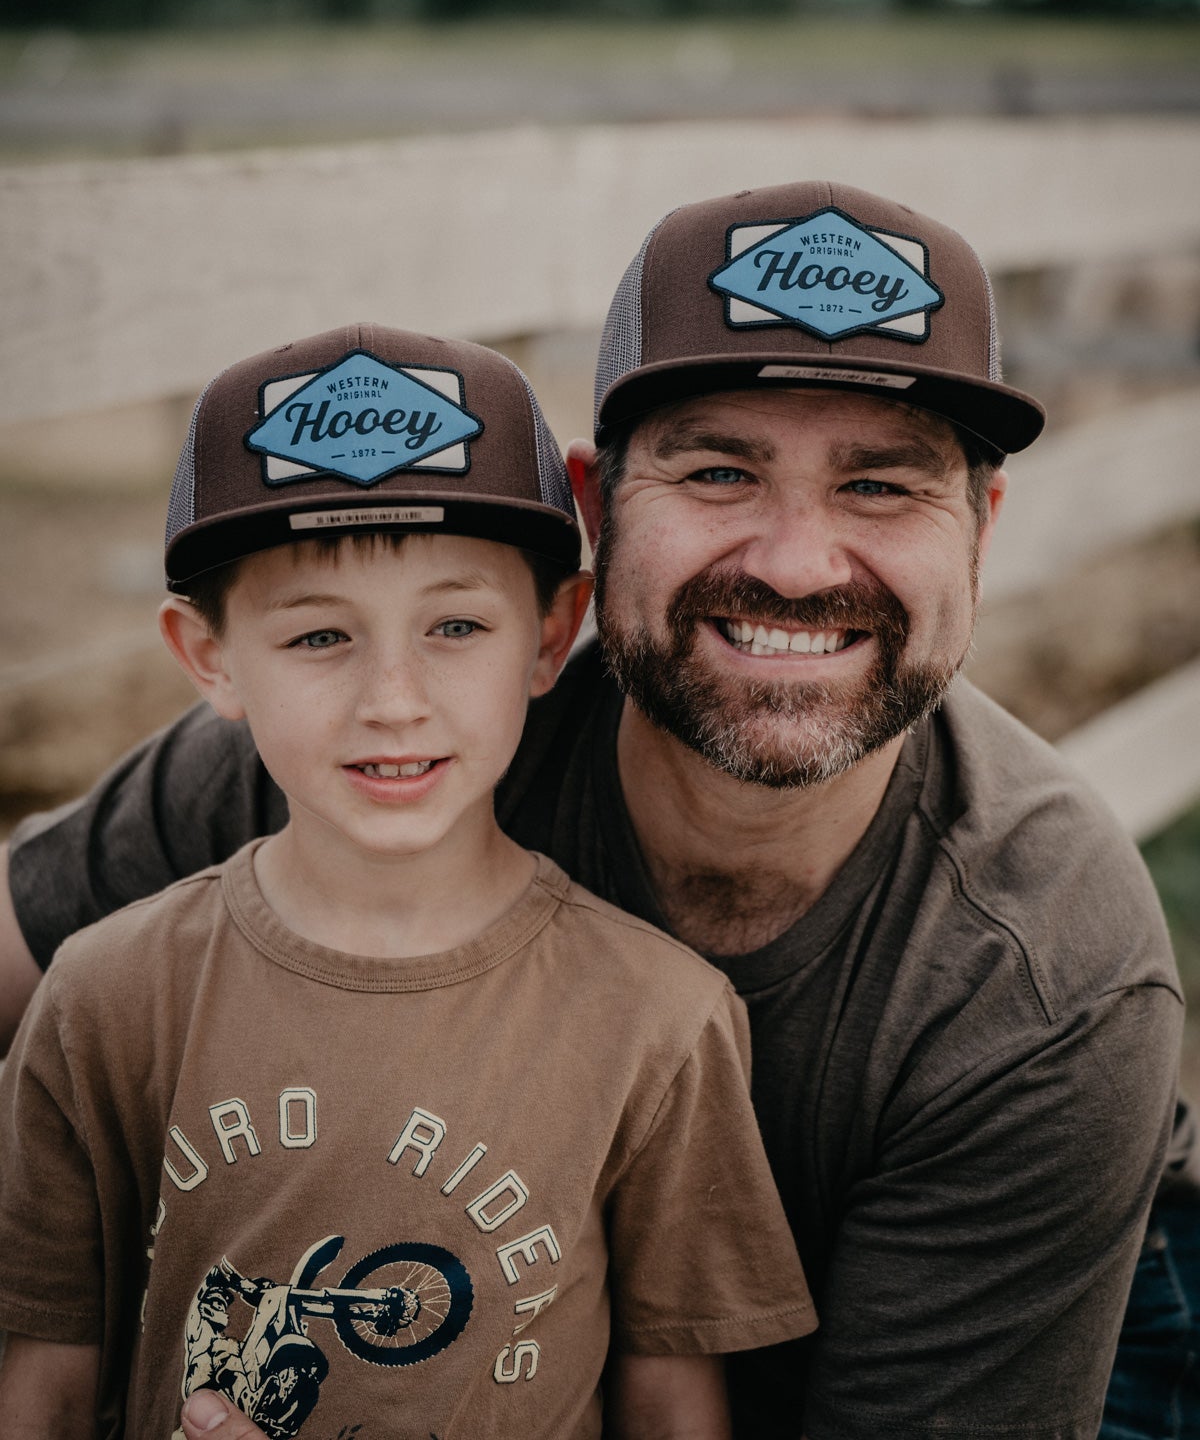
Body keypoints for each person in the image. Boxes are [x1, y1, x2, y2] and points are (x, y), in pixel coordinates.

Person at [0, 180, 1187, 1439]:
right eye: (721, 470)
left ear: (981, 533)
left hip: (1040, 1327)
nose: (793, 561)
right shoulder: (379, 749)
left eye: (882, 487)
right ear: (597, 510)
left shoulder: (1044, 976)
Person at [0, 323, 816, 1439]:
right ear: (208, 658)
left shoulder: (659, 1022)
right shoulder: (104, 999)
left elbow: (674, 1403)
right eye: (319, 638)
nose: (393, 697)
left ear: (550, 635)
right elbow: (43, 1375)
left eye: (454, 626)